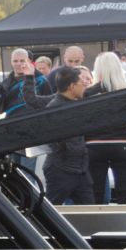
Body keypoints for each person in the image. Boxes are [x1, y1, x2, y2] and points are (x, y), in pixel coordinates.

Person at [84, 52, 126, 204]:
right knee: (125, 191)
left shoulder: (89, 93)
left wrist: (87, 138)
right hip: (122, 143)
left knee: (96, 191)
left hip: (94, 145)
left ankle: (98, 223)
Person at [43, 67, 95, 205]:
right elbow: (51, 140)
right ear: (72, 86)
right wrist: (69, 151)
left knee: (90, 212)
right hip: (61, 170)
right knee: (51, 212)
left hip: (80, 170)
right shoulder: (55, 108)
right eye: (81, 83)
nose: (84, 85)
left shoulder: (77, 104)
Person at [0, 49, 51, 117]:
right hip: (11, 123)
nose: (18, 64)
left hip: (35, 122)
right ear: (11, 62)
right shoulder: (5, 84)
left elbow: (49, 107)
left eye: (22, 61)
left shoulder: (41, 81)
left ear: (29, 61)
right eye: (15, 61)